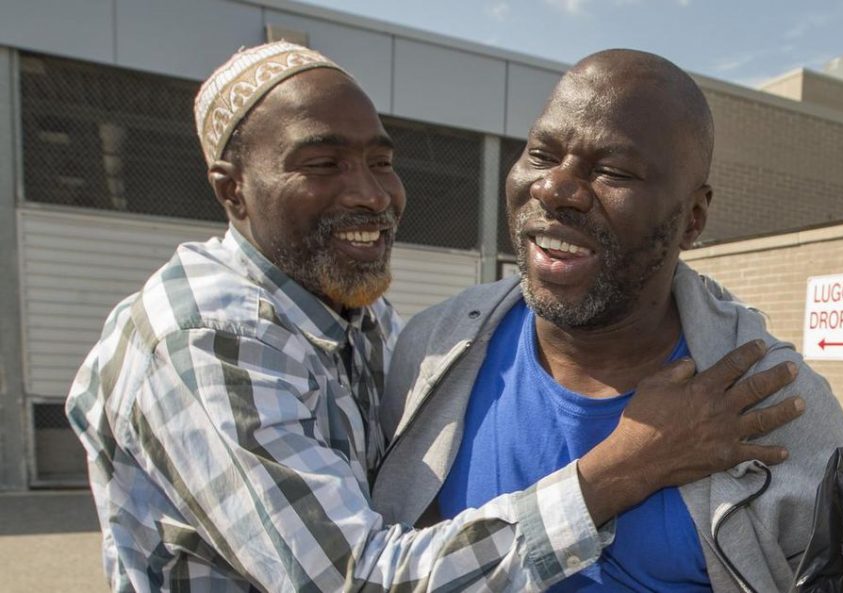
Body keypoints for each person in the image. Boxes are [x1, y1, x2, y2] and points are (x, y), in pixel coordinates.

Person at [67, 42, 804, 593]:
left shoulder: (375, 325)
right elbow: (356, 579)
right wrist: (626, 466)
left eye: (381, 161)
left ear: (695, 215)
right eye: (321, 165)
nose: (371, 194)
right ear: (232, 190)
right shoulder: (204, 341)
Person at [372, 49, 843, 593]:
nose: (554, 189)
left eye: (614, 172)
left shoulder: (769, 400)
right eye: (541, 154)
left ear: (693, 218)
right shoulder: (435, 350)